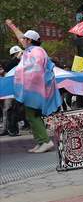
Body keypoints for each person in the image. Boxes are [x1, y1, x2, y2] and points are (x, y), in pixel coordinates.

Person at [4, 22, 60, 153]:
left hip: (36, 90)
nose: (22, 40)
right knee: (31, 115)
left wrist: (21, 71)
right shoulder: (31, 50)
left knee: (32, 115)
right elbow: (20, 36)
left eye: (25, 39)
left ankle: (45, 141)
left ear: (30, 40)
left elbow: (35, 70)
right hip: (34, 89)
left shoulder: (36, 51)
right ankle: (40, 141)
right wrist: (11, 25)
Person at [0, 46, 23, 136]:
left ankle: (12, 129)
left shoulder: (23, 62)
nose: (15, 56)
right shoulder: (13, 63)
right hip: (11, 89)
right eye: (14, 55)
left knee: (13, 109)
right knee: (8, 109)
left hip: (18, 89)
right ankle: (7, 129)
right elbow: (7, 67)